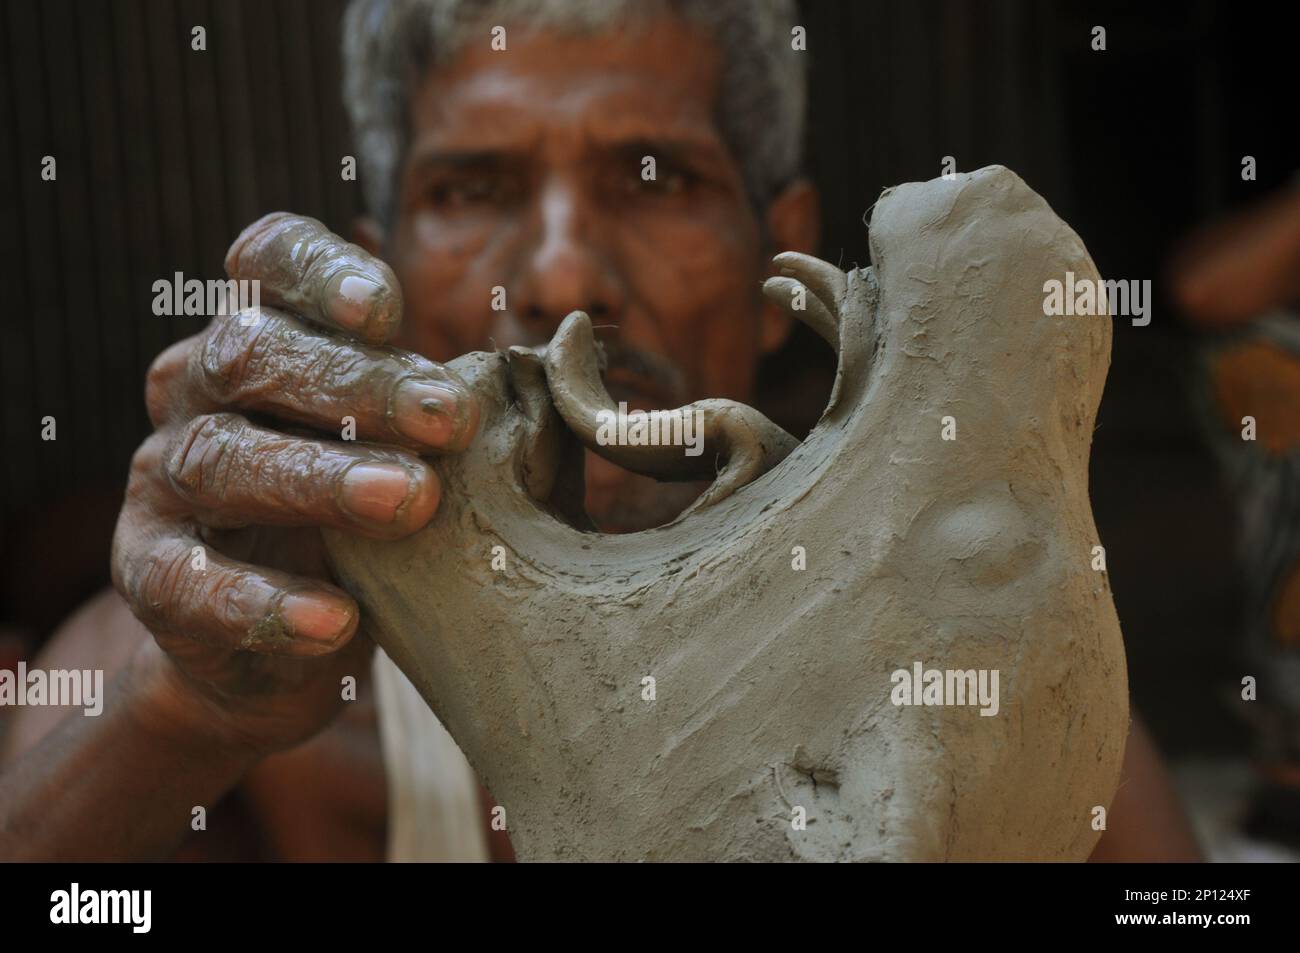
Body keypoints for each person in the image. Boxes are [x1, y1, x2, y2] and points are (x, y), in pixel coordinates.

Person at [0, 0, 1195, 862]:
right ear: (381, 264)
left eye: (655, 176)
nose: (566, 267)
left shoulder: (968, 659)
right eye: (472, 189)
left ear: (778, 243)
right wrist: (185, 719)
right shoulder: (245, 672)